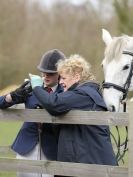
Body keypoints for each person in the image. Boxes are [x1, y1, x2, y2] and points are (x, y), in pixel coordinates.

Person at [29, 54, 117, 176]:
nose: (60, 82)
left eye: (63, 78)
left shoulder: (84, 94)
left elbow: (54, 103)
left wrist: (37, 88)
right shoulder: (82, 94)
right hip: (84, 164)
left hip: (92, 167)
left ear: (76, 77)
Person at [0, 49, 66, 177]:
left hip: (52, 149)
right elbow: (1, 102)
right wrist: (12, 96)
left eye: (50, 73)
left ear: (60, 73)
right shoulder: (30, 87)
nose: (45, 75)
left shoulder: (65, 92)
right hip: (26, 147)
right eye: (43, 72)